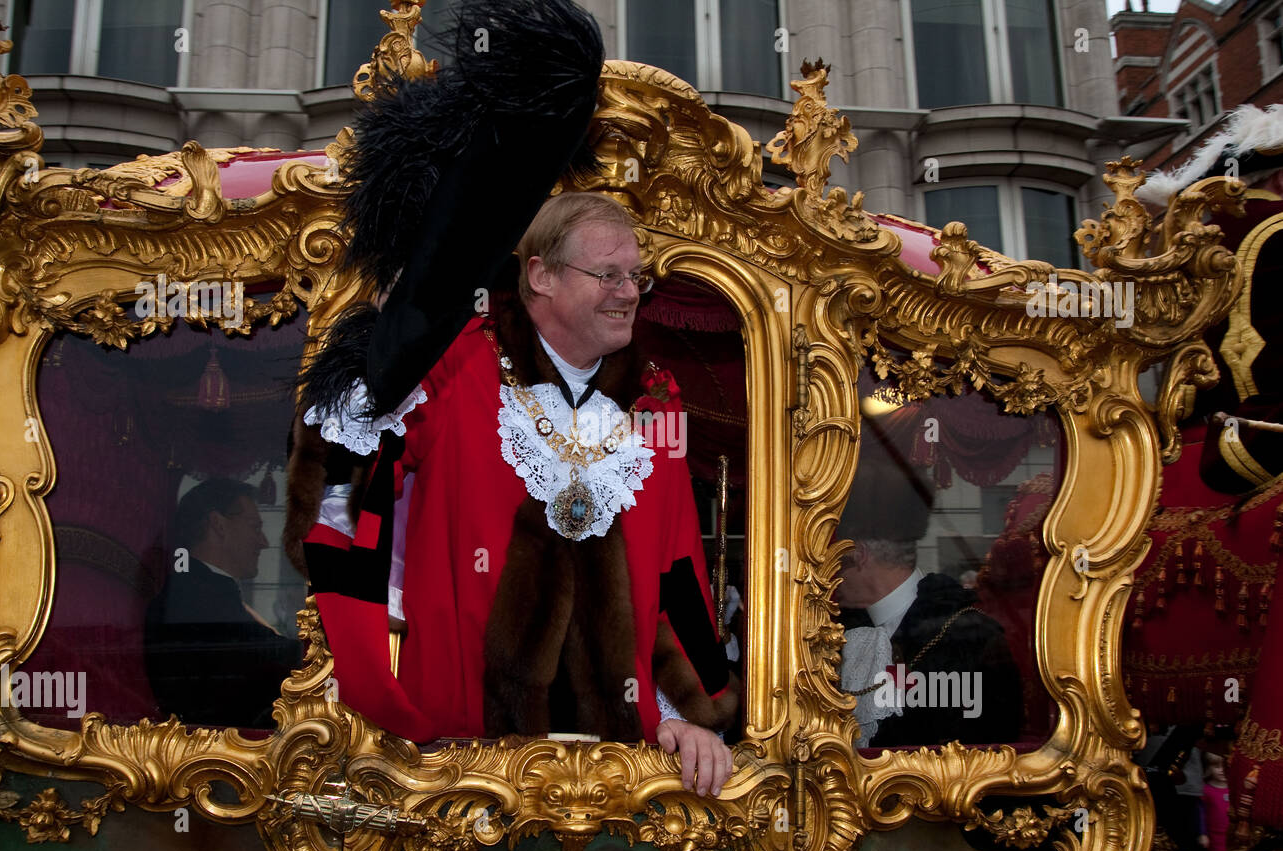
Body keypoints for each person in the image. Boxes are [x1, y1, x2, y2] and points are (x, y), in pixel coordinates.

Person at [294, 194, 738, 797]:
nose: (630, 292)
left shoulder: (657, 398)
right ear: (541, 275)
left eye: (636, 276)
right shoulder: (456, 363)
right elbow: (350, 482)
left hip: (614, 774)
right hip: (460, 764)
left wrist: (689, 719)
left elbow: (679, 573)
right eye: (608, 274)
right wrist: (383, 343)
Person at [836, 455, 1023, 748]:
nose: (831, 575)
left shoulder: (969, 635)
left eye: (836, 560)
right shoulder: (835, 630)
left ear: (858, 555)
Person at [144, 478, 303, 728]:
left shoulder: (201, 590)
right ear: (218, 524)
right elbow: (266, 654)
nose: (263, 541)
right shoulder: (197, 597)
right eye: (254, 527)